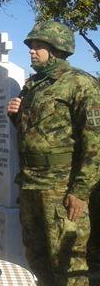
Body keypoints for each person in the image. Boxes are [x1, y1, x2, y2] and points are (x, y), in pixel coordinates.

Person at [7, 21, 100, 286]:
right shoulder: (32, 85)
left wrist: (80, 191)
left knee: (68, 263)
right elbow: (36, 132)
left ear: (57, 49)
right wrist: (15, 116)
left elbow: (95, 141)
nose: (32, 51)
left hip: (61, 188)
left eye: (38, 46)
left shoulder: (81, 83)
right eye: (31, 46)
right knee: (36, 259)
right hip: (31, 184)